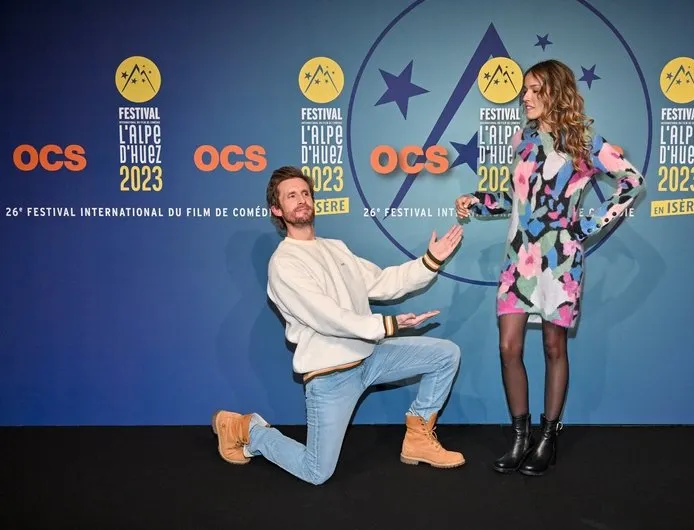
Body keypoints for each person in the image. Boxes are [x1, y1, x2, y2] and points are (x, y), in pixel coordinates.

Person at [212, 166, 466, 485]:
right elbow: (328, 317)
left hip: (369, 358)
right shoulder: (283, 264)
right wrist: (387, 324)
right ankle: (247, 431)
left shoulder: (335, 248)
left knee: (445, 354)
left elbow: (381, 282)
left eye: (305, 193)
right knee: (316, 472)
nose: (302, 199)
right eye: (291, 195)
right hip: (330, 377)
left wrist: (430, 260)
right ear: (277, 210)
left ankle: (417, 439)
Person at [455, 59, 645, 476]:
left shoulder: (585, 140)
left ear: (554, 91)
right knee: (509, 347)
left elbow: (632, 181)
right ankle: (519, 437)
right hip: (518, 258)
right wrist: (478, 200)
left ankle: (547, 438)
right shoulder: (521, 138)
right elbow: (514, 199)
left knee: (553, 347)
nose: (524, 97)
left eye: (533, 89)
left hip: (559, 261)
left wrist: (587, 224)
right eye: (524, 90)